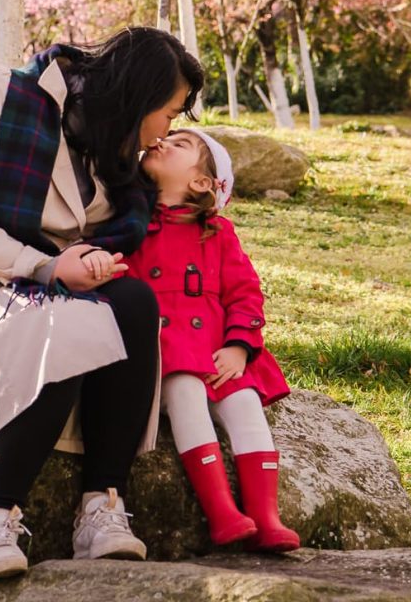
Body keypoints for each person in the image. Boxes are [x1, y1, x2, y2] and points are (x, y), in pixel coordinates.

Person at [0, 28, 203, 583]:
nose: (168, 129)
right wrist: (46, 267)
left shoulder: (110, 148)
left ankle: (102, 507)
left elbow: (122, 236)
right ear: (137, 97)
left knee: (132, 301)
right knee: (66, 318)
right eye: (170, 112)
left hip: (51, 290)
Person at [125, 128, 300, 551]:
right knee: (184, 392)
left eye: (180, 144)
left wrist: (240, 347)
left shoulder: (218, 233)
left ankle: (265, 516)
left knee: (243, 403)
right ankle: (221, 511)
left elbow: (245, 292)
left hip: (219, 349)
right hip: (167, 351)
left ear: (202, 182)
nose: (163, 142)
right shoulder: (133, 226)